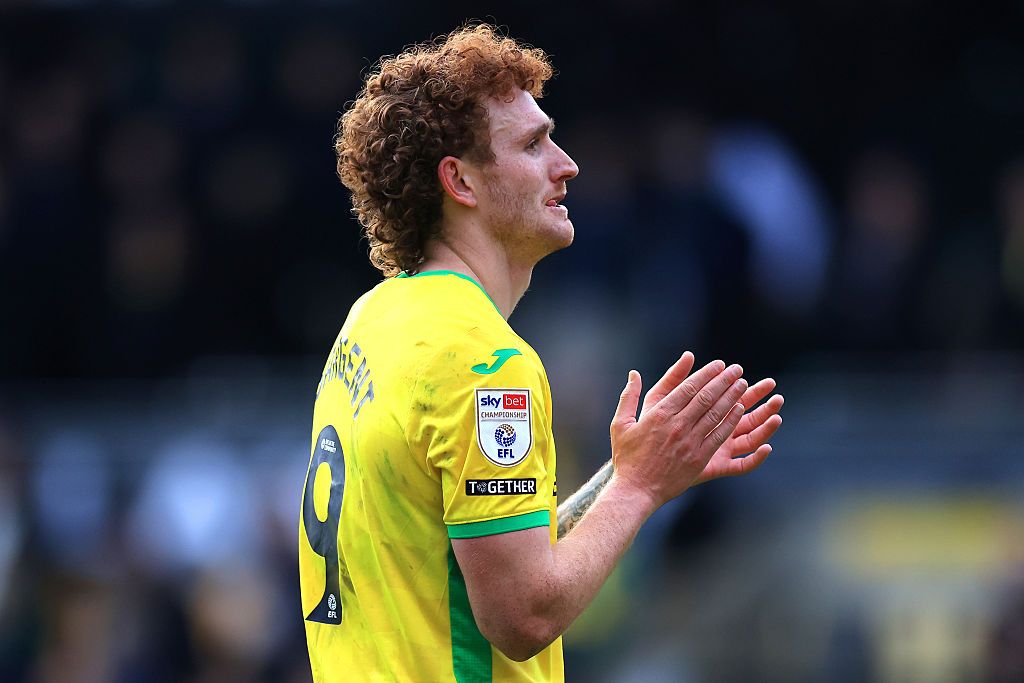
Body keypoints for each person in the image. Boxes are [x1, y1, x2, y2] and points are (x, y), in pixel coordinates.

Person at [297, 23, 784, 682]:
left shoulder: (374, 319)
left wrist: (631, 473)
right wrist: (638, 489)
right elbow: (522, 614)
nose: (567, 164)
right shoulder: (482, 360)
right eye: (533, 144)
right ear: (460, 181)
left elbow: (479, 547)